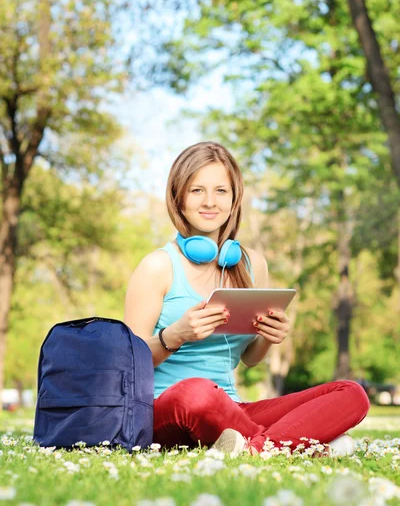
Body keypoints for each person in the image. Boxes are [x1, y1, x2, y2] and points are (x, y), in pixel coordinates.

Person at [124, 142, 369, 456]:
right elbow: (127, 365)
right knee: (196, 393)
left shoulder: (252, 264)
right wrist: (175, 335)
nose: (210, 202)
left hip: (232, 410)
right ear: (178, 197)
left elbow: (250, 358)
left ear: (234, 198)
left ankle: (252, 448)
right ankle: (295, 445)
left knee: (351, 393)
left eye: (221, 191)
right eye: (197, 190)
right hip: (166, 408)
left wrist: (268, 337)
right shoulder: (157, 266)